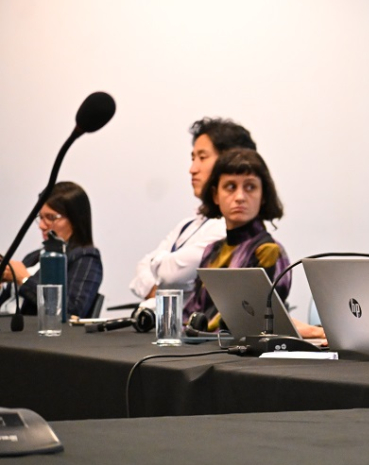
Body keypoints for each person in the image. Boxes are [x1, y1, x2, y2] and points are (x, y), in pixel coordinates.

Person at [129, 117, 256, 304]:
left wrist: (158, 266)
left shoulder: (228, 229)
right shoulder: (189, 224)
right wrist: (160, 283)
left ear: (230, 162)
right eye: (193, 158)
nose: (192, 169)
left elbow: (170, 274)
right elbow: (141, 267)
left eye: (202, 158)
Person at [182, 148, 290, 331]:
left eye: (250, 187)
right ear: (216, 195)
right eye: (231, 187)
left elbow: (253, 318)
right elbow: (193, 311)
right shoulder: (211, 250)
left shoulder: (269, 251)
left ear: (263, 195)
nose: (240, 197)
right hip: (201, 347)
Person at [1, 182, 103, 318]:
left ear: (75, 219)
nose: (42, 226)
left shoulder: (86, 258)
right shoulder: (33, 257)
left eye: (50, 218)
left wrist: (24, 279)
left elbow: (73, 311)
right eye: (41, 218)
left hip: (36, 336)